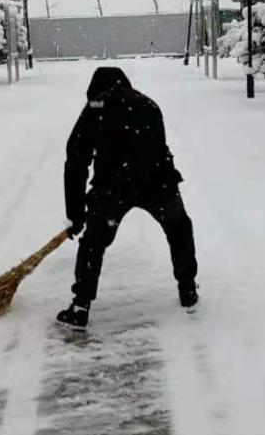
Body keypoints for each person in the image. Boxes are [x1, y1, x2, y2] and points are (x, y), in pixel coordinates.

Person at [57, 66, 198, 329]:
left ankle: (80, 305)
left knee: (94, 242)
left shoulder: (96, 106)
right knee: (179, 228)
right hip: (158, 182)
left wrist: (76, 214)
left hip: (113, 186)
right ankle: (187, 289)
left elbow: (76, 160)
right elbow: (160, 148)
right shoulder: (149, 104)